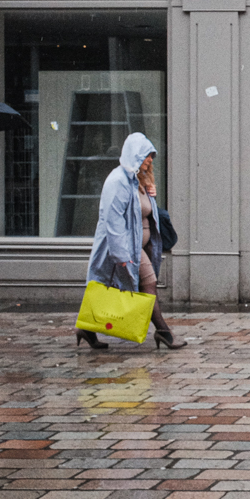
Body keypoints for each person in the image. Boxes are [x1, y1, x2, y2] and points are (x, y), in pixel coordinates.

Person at [84, 133, 183, 350]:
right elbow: (113, 220)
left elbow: (143, 213)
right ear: (134, 156)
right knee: (148, 283)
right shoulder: (117, 181)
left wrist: (150, 196)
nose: (150, 160)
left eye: (151, 156)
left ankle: (86, 328)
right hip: (126, 247)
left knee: (106, 288)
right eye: (146, 156)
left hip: (138, 245)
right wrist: (121, 255)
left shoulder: (138, 181)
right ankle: (164, 331)